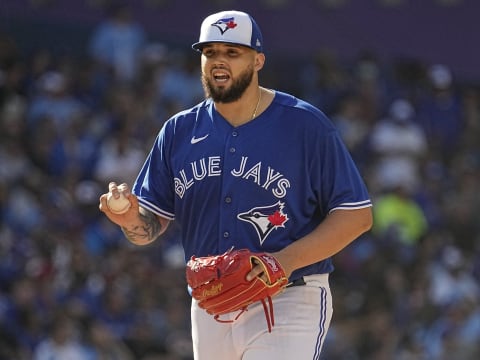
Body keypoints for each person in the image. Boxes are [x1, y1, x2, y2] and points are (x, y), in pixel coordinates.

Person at [99, 10, 373, 359]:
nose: (218, 61)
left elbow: (356, 216)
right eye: (210, 52)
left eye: (232, 52)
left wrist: (283, 262)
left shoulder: (304, 125)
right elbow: (148, 228)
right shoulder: (179, 131)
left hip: (288, 296)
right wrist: (130, 221)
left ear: (258, 60)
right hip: (212, 302)